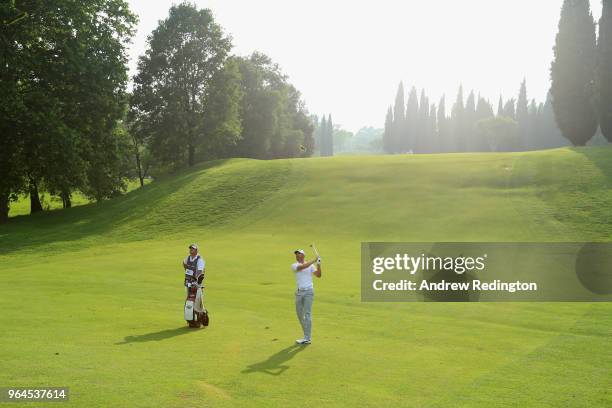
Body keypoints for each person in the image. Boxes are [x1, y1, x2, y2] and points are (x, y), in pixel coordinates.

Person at [291, 249, 322, 344]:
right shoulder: (294, 265)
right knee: (300, 315)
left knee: (307, 314)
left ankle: (307, 337)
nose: (297, 255)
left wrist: (319, 264)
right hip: (299, 293)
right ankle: (306, 335)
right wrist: (314, 260)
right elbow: (302, 267)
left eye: (299, 254)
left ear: (303, 255)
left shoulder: (311, 265)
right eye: (296, 254)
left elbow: (318, 275)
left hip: (309, 291)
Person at [183, 243, 206, 314]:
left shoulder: (200, 260)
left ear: (196, 250)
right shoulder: (188, 258)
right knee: (189, 298)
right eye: (190, 249)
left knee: (198, 299)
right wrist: (187, 270)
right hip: (188, 281)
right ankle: (190, 314)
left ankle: (201, 312)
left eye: (192, 249)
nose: (191, 250)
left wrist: (195, 278)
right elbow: (184, 263)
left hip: (197, 282)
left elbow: (200, 271)